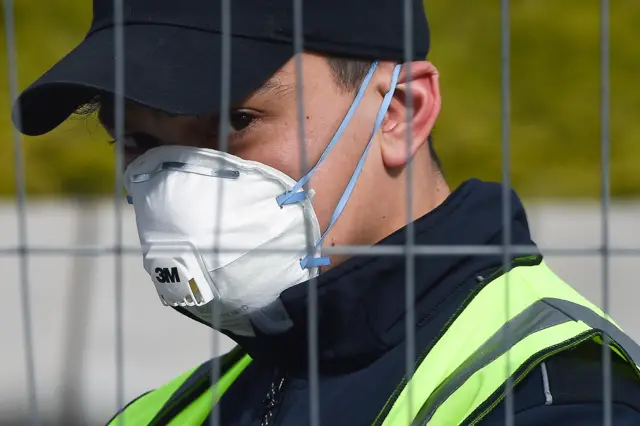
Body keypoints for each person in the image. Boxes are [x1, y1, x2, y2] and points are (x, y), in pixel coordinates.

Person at [13, 0, 640, 425]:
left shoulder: (556, 395)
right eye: (142, 143)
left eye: (237, 120)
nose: (180, 184)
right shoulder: (174, 412)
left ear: (400, 112)